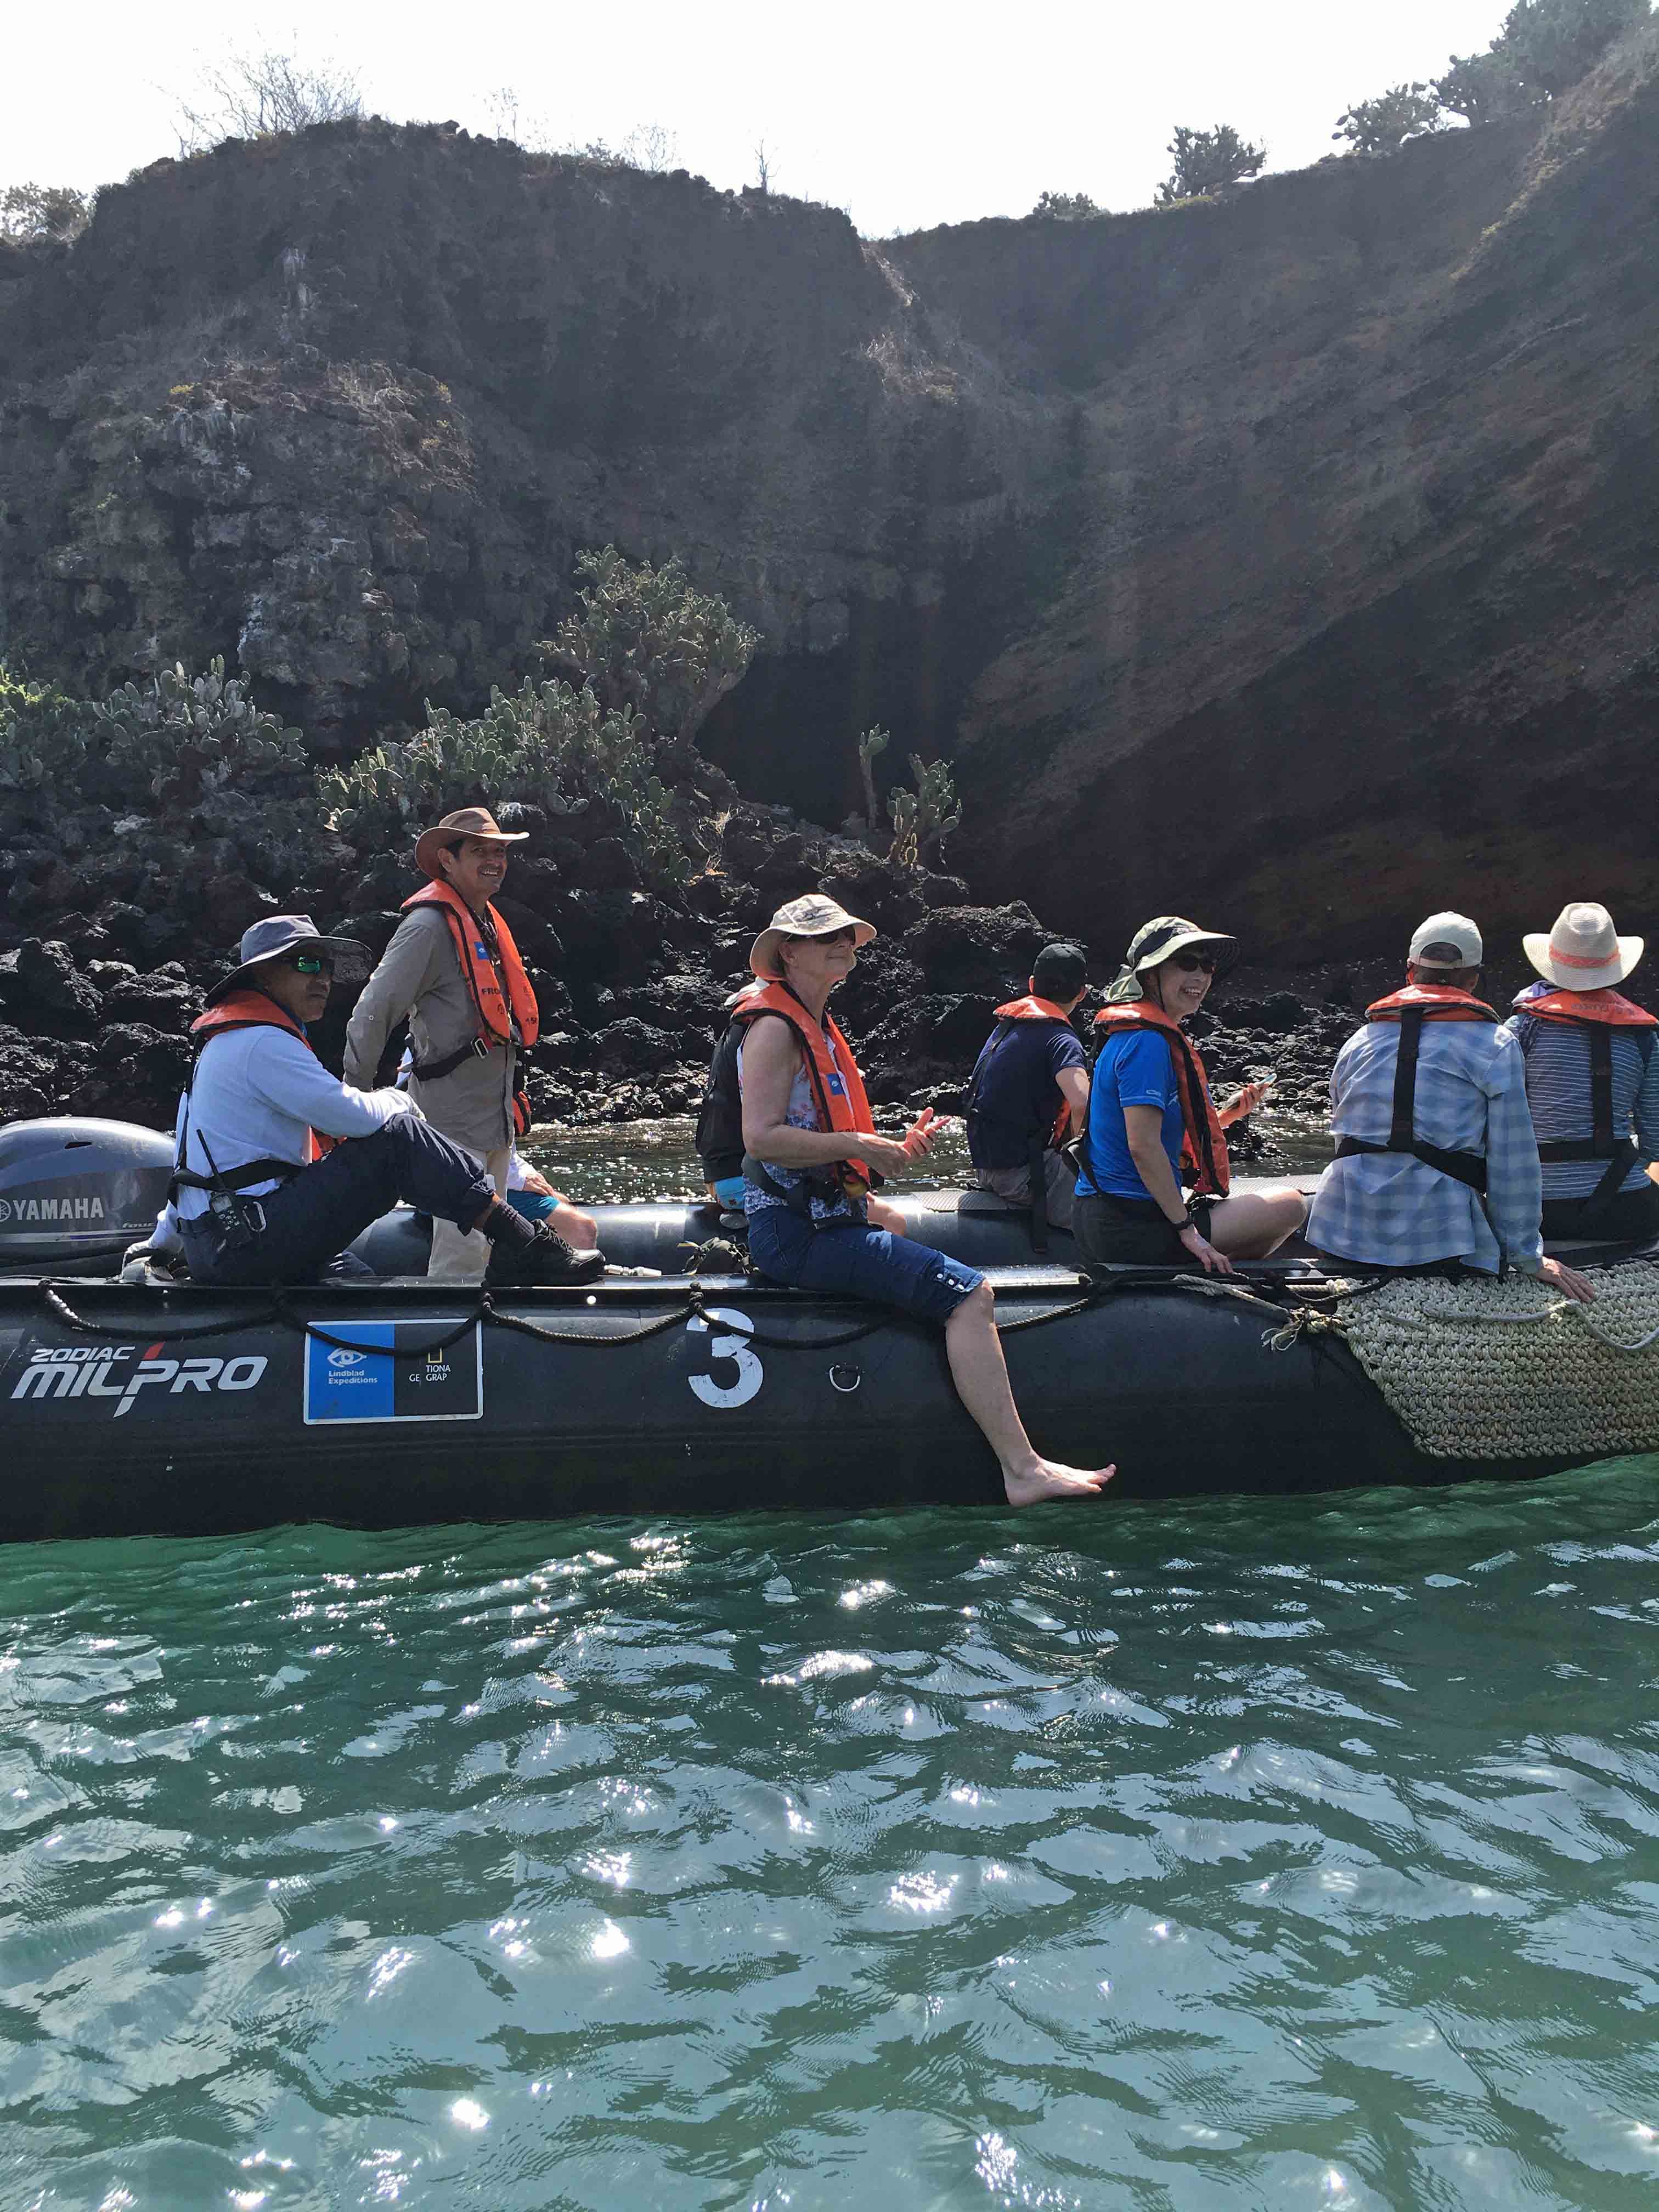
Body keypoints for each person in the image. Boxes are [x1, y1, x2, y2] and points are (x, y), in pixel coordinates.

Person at [737, 894, 1114, 1506]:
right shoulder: (775, 1030)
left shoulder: (816, 1025)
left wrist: (887, 1152)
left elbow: (820, 1143)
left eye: (846, 934)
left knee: (897, 1228)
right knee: (971, 1295)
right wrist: (858, 1143)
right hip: (797, 1233)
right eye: (826, 936)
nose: (843, 943)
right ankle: (1022, 1470)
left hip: (827, 1217)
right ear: (789, 952)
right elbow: (761, 1139)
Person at [155, 914, 605, 1287]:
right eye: (306, 964)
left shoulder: (223, 1044)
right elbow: (352, 1118)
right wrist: (398, 1099)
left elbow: (188, 1168)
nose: (323, 979)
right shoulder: (262, 1044)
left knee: (364, 1287)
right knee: (397, 1137)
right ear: (262, 975)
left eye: (326, 967)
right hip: (247, 1244)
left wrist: (161, 1247)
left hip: (220, 1243)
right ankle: (524, 1244)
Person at [345, 805, 597, 1277]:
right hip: (452, 1124)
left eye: (500, 852)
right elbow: (373, 1012)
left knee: (480, 1252)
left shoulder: (484, 923)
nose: (495, 861)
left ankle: (480, 1320)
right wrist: (353, 1107)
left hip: (494, 1122)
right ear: (447, 859)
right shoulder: (426, 928)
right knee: (460, 1257)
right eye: (481, 851)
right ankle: (449, 1328)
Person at [1306, 910, 1593, 1300]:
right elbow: (1513, 1163)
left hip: (1340, 1230)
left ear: (1410, 972)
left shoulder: (1358, 1041)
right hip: (1440, 1240)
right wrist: (1528, 1256)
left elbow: (1344, 1140)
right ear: (1472, 980)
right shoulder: (1495, 1043)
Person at [1072, 916, 1305, 1274]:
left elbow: (1155, 1133)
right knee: (1291, 1205)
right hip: (1128, 1225)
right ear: (1149, 974)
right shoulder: (1147, 1042)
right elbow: (1142, 1145)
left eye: (1207, 966)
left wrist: (1228, 1117)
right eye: (1186, 963)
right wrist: (1187, 1230)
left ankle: (1216, 1275)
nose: (1200, 976)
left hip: (1109, 1217)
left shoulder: (1136, 1035)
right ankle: (1216, 1278)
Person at [1504, 901, 1659, 1243]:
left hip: (1538, 1208)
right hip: (1630, 1207)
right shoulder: (1644, 1036)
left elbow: (1496, 1123)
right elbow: (1655, 1140)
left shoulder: (1522, 1028)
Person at [964, 941, 1091, 1233]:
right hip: (1023, 1175)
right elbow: (1082, 1103)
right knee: (1114, 1209)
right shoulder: (1062, 1040)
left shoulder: (1006, 1028)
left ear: (1032, 984)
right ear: (1082, 993)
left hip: (984, 1168)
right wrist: (1091, 1164)